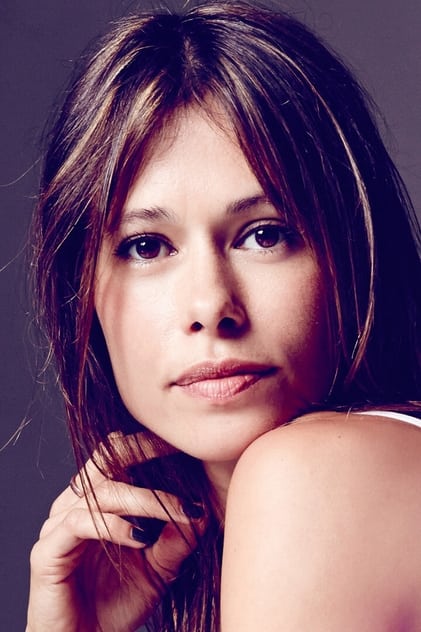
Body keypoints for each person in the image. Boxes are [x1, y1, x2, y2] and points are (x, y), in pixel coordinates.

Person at [26, 1, 421, 630]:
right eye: (147, 247)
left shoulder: (314, 477)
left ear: (353, 251)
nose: (211, 307)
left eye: (264, 235)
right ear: (85, 292)